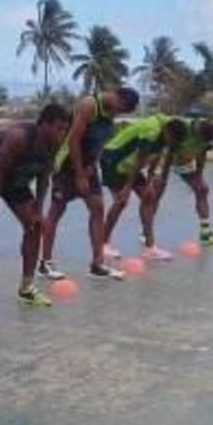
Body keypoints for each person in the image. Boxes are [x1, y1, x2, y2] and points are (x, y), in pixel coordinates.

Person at [0, 104, 71, 306]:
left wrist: (38, 207)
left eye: (66, 130)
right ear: (44, 125)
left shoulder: (55, 143)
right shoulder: (18, 137)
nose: (62, 134)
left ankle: (26, 287)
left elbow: (44, 176)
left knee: (35, 226)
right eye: (59, 128)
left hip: (16, 183)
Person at [37, 87, 140, 281]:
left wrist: (92, 166)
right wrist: (79, 175)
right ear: (117, 96)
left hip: (88, 167)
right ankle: (45, 263)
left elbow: (99, 144)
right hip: (67, 165)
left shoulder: (110, 114)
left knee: (98, 209)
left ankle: (97, 264)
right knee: (56, 211)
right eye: (120, 108)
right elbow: (74, 141)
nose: (118, 113)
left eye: (122, 112)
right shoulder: (88, 105)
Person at [100, 115, 187, 260]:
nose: (170, 145)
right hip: (113, 159)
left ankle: (150, 248)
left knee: (150, 197)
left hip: (130, 165)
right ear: (168, 132)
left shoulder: (166, 134)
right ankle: (102, 244)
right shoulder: (151, 129)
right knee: (121, 201)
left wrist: (149, 183)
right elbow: (141, 157)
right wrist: (127, 187)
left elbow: (156, 158)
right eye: (172, 141)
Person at [161, 117, 213, 246]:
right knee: (156, 193)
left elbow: (202, 155)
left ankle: (205, 233)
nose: (202, 143)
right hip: (169, 159)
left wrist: (199, 175)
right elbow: (170, 152)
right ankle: (145, 232)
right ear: (197, 132)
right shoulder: (183, 130)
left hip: (187, 162)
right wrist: (163, 176)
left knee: (202, 189)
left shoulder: (206, 134)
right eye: (201, 140)